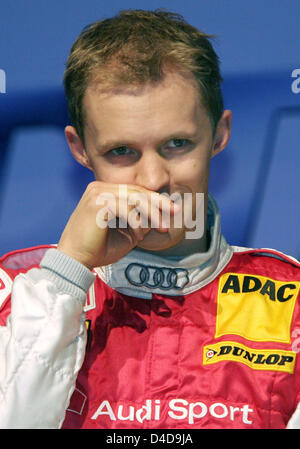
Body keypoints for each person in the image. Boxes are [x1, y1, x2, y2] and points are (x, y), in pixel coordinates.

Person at [0, 9, 299, 429]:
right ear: (80, 149)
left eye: (177, 144)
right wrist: (66, 275)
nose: (154, 180)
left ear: (219, 133)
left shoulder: (293, 303)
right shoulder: (14, 293)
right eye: (122, 151)